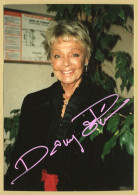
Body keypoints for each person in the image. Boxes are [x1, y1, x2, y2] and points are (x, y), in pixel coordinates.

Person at [4, 20, 133, 191]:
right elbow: (18, 163)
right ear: (51, 59)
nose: (65, 63)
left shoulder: (111, 105)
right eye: (58, 55)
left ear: (86, 58)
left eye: (74, 55)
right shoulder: (33, 102)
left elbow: (121, 172)